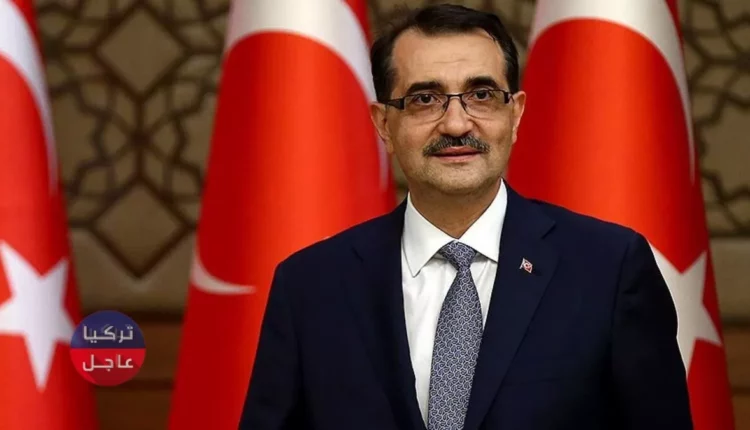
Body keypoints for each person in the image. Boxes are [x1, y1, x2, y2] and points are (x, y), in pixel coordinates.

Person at [239, 4, 693, 429]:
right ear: (383, 124)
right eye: (424, 99)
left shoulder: (609, 268)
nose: (456, 125)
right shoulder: (310, 285)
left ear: (515, 114)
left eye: (481, 95)